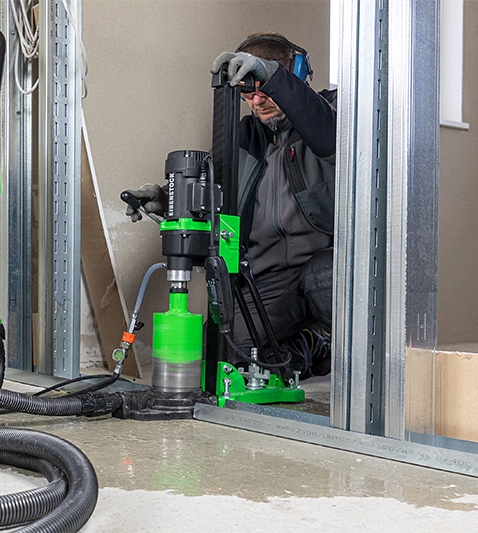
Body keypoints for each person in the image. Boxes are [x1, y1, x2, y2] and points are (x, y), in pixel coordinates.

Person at [126, 33, 336, 378]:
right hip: (270, 276)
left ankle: (363, 376)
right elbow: (213, 185)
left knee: (324, 277)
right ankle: (312, 344)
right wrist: (166, 198)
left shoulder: (330, 112)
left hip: (324, 266)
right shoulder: (244, 136)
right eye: (248, 93)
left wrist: (275, 78)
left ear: (295, 73)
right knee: (224, 359)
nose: (257, 101)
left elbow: (329, 136)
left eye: (264, 89)